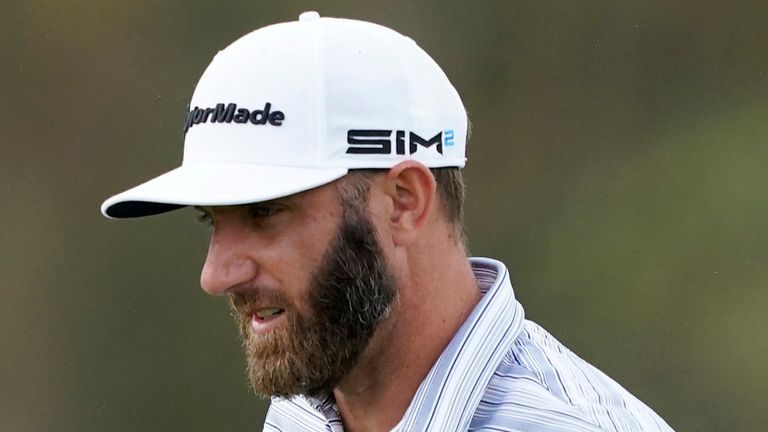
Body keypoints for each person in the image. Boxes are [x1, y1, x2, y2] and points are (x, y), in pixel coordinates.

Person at [102, 11, 673, 432]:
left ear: (403, 202)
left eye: (266, 212)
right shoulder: (301, 413)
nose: (216, 274)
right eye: (212, 220)